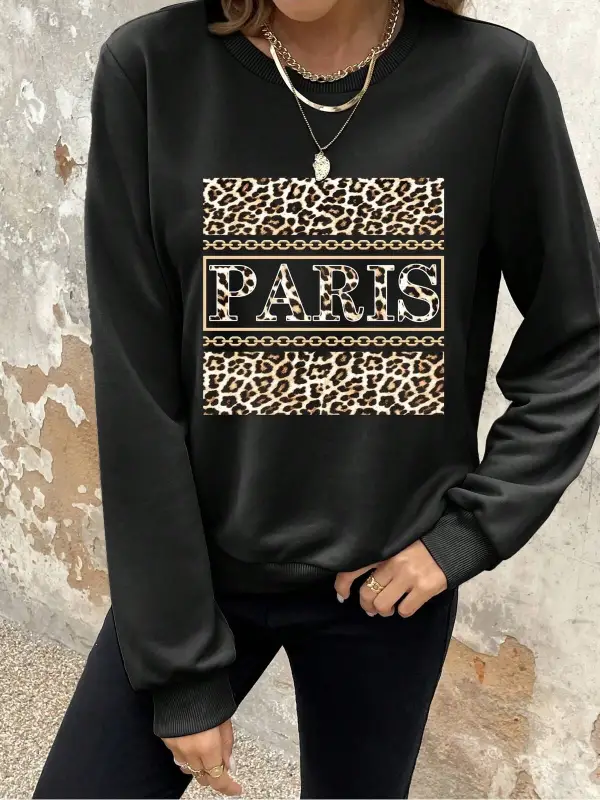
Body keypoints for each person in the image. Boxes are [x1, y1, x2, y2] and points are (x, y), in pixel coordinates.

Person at [34, 0, 600, 797]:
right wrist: (180, 670)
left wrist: (468, 533)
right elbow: (137, 389)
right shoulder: (154, 69)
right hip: (199, 574)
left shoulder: (490, 81)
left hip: (384, 595)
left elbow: (578, 337)